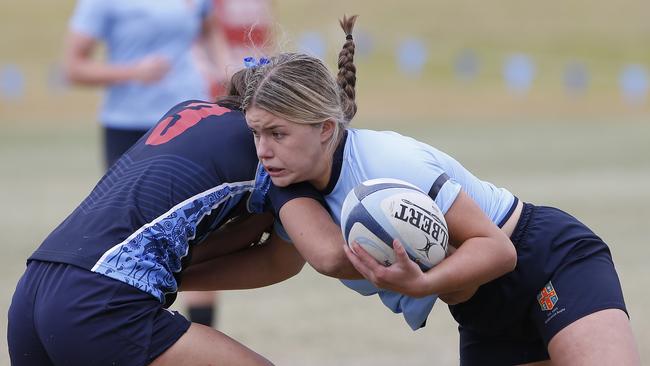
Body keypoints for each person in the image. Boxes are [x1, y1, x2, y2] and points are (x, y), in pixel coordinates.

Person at [229, 15, 641, 366]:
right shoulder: (297, 193)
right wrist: (180, 280)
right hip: (479, 311)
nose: (264, 150)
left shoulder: (387, 161)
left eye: (278, 134)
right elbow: (277, 263)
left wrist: (422, 284)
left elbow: (499, 250)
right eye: (256, 134)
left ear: (325, 129)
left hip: (546, 260)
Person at [7, 97, 322, 366]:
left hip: (34, 288)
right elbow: (291, 260)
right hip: (96, 302)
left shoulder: (190, 112)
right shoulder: (272, 152)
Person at [62, 0, 233, 327]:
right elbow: (73, 67)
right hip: (128, 128)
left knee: (200, 228)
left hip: (189, 120)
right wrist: (132, 72)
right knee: (135, 238)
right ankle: (135, 331)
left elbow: (210, 29)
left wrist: (227, 71)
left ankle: (202, 339)